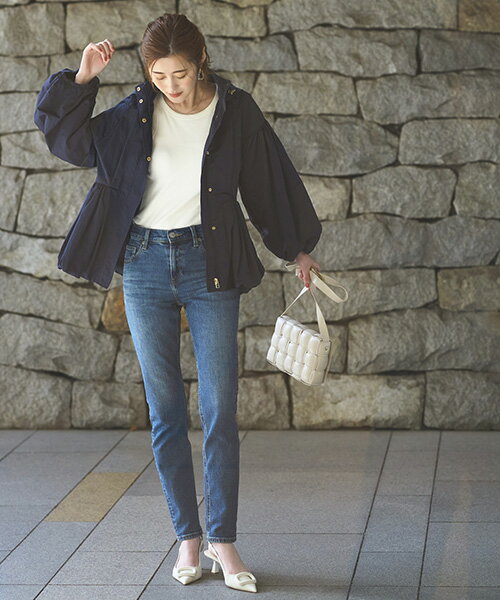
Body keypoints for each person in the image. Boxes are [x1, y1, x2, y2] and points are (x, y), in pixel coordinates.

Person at [34, 12, 322, 594]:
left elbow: (268, 180)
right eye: (159, 75)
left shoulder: (235, 111)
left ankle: (223, 540)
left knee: (220, 411)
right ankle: (188, 537)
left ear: (201, 61)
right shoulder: (135, 112)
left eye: (181, 74)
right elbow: (70, 142)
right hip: (143, 265)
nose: (171, 86)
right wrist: (82, 80)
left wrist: (297, 249)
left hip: (209, 265)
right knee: (165, 411)